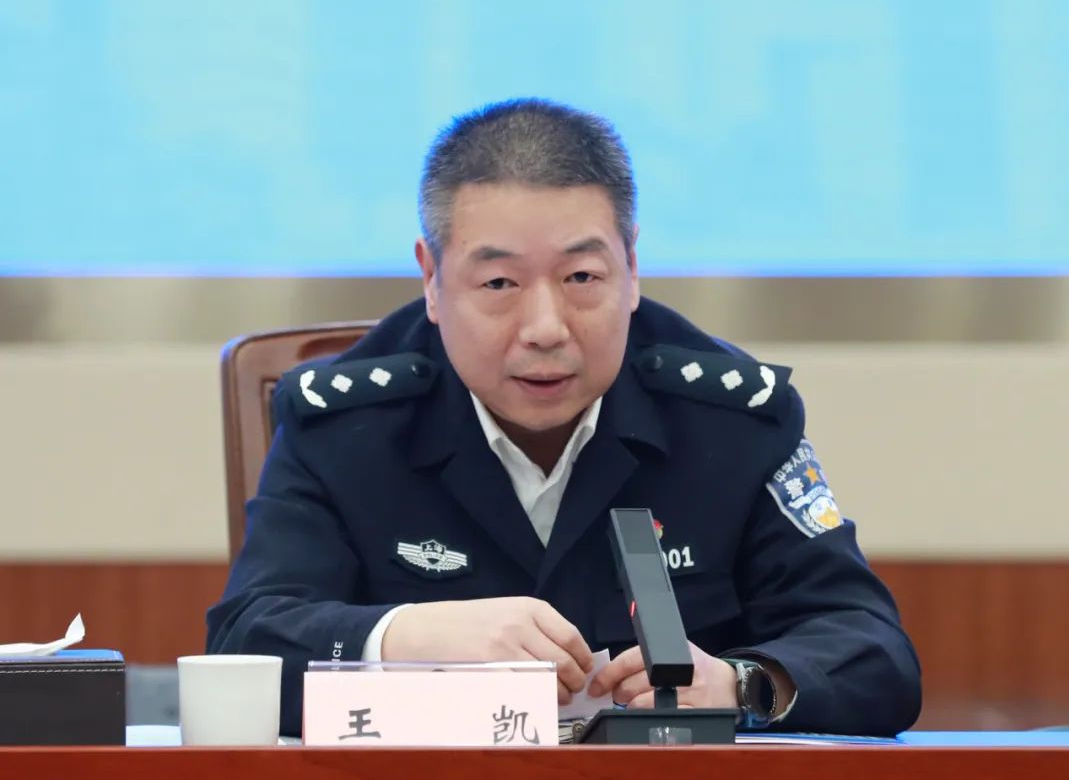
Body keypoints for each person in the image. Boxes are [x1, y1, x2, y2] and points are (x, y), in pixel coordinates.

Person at [206, 98, 921, 737]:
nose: (545, 327)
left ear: (631, 267)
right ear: (431, 277)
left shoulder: (731, 420)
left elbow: (873, 651)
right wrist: (407, 636)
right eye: (499, 282)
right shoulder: (347, 425)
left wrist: (739, 685)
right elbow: (245, 642)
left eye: (581, 277)